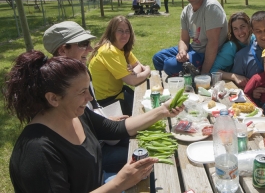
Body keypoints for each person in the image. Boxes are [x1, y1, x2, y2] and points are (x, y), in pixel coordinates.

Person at [4, 51, 183, 192]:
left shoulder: (75, 115)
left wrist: (162, 111)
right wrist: (120, 183)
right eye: (82, 92)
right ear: (53, 98)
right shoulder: (37, 153)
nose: (90, 98)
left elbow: (117, 128)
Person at [43, 21, 131, 175]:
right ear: (63, 49)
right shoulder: (59, 88)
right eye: (84, 44)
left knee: (136, 140)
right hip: (91, 154)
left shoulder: (82, 72)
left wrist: (107, 120)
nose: (91, 48)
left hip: (99, 137)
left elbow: (89, 112)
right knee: (137, 152)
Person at [152, 0, 228, 76]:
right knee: (158, 58)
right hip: (193, 49)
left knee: (169, 66)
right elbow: (184, 39)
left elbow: (213, 43)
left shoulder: (211, 7)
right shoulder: (186, 10)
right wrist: (182, 51)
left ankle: (190, 78)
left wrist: (204, 74)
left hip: (204, 53)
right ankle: (183, 78)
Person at [89, 16, 151, 116]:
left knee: (149, 106)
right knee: (146, 114)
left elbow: (138, 65)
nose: (124, 35)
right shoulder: (109, 51)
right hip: (108, 103)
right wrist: (147, 71)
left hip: (119, 94)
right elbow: (131, 81)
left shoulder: (121, 47)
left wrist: (133, 72)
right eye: (120, 31)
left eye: (127, 31)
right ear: (112, 32)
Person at [210, 11, 255, 88]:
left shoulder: (255, 39)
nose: (240, 32)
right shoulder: (231, 47)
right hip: (236, 86)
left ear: (249, 25)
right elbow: (214, 70)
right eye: (235, 29)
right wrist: (234, 76)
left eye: (242, 26)